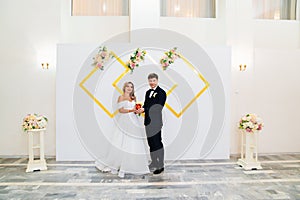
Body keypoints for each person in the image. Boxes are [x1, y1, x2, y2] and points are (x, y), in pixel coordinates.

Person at [95, 81, 150, 178]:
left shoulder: (133, 97)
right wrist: (131, 110)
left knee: (134, 140)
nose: (129, 88)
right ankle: (120, 163)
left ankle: (134, 163)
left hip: (134, 120)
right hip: (125, 120)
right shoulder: (121, 97)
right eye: (128, 86)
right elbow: (121, 110)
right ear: (124, 88)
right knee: (123, 140)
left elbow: (135, 108)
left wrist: (137, 111)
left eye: (131, 87)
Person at [137, 73, 167, 175]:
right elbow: (146, 104)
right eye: (150, 81)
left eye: (153, 81)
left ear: (157, 81)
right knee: (151, 143)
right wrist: (141, 109)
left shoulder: (162, 92)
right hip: (148, 122)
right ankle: (154, 162)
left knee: (157, 143)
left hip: (156, 122)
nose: (152, 83)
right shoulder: (147, 92)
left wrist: (145, 109)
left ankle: (160, 165)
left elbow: (158, 107)